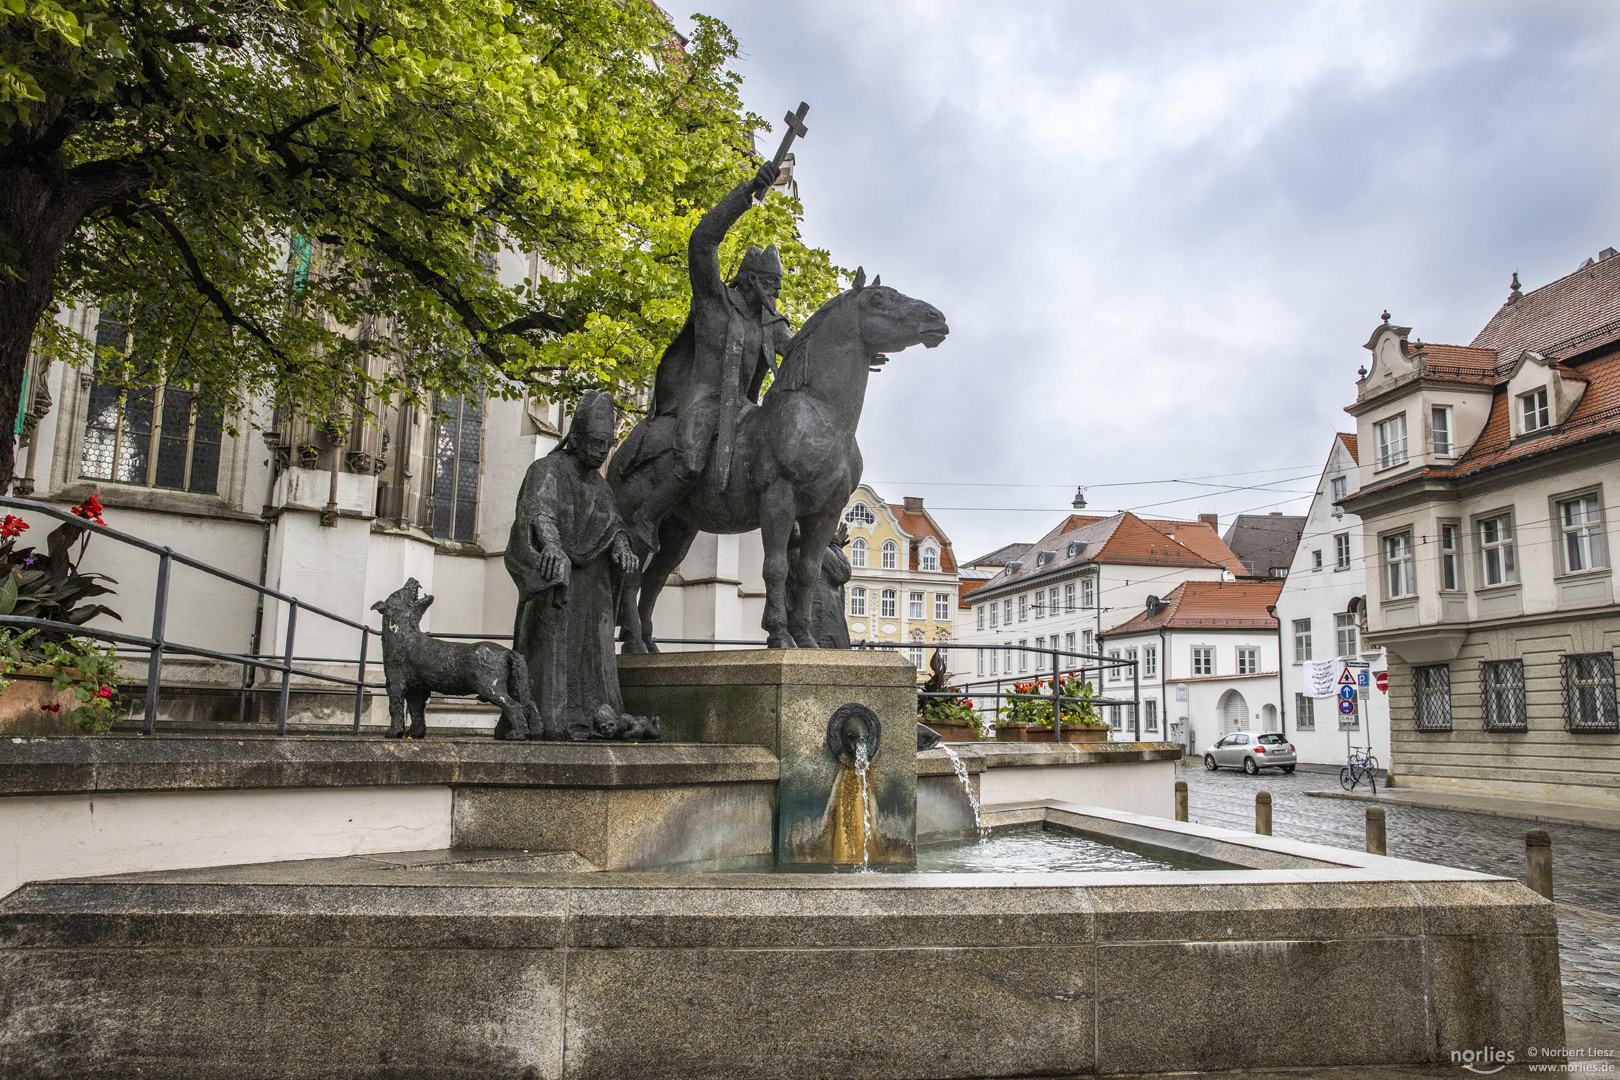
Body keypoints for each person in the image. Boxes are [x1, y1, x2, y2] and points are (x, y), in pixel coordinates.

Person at [626, 159, 795, 550]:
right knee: (690, 461)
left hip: (743, 411)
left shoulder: (771, 322)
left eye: (778, 287)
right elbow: (702, 241)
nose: (775, 294)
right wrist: (747, 193)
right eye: (771, 285)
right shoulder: (715, 301)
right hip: (702, 402)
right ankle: (646, 517)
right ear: (751, 280)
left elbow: (799, 350)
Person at [506, 391, 653, 740]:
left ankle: (598, 718)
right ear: (578, 438)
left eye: (608, 445)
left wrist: (621, 547)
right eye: (597, 443)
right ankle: (548, 721)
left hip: (594, 583)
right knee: (553, 648)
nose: (603, 452)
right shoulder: (547, 470)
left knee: (597, 647)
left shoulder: (600, 484)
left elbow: (613, 523)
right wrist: (552, 547)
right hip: (558, 582)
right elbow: (538, 513)